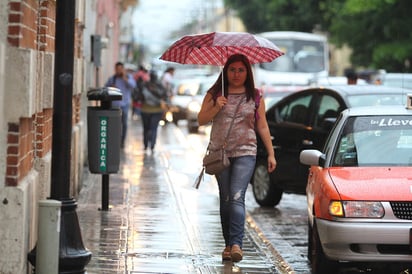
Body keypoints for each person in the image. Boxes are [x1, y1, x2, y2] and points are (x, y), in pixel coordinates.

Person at [197, 54, 277, 262]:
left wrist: (271, 153)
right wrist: (216, 107)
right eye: (232, 70)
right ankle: (227, 245)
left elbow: (262, 126)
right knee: (225, 198)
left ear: (247, 72)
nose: (236, 74)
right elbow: (200, 120)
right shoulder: (215, 93)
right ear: (226, 71)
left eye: (241, 70)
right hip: (220, 154)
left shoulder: (256, 95)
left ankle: (236, 245)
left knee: (236, 196)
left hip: (246, 152)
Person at [105, 62, 136, 148]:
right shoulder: (112, 78)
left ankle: (122, 141)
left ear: (123, 69)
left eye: (120, 69)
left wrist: (125, 78)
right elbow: (106, 88)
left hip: (125, 104)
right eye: (117, 69)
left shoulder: (128, 77)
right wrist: (111, 87)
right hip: (114, 104)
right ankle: (115, 140)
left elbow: (133, 86)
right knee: (114, 124)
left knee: (124, 123)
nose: (118, 71)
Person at [140, 70, 168, 152]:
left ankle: (146, 145)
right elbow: (165, 96)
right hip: (155, 110)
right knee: (153, 128)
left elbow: (139, 96)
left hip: (146, 110)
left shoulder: (145, 84)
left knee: (146, 129)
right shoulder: (159, 85)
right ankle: (152, 145)